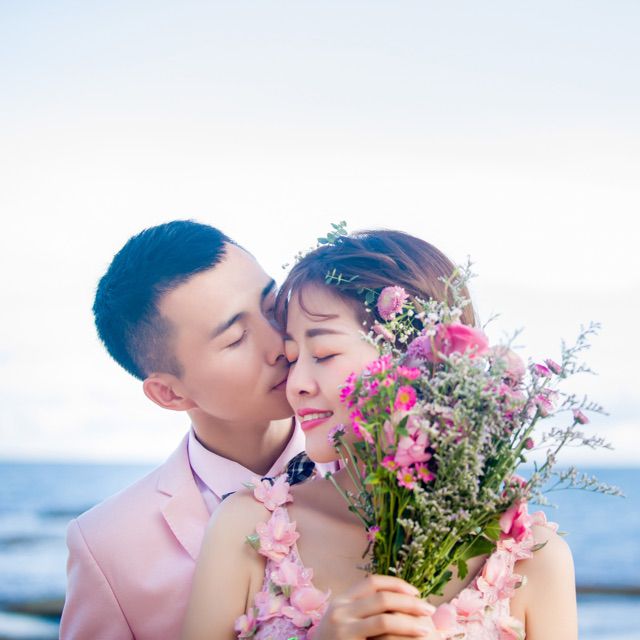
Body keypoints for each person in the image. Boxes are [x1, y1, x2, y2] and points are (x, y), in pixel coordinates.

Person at [182, 229, 578, 640]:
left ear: (416, 358)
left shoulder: (533, 559)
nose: (295, 384)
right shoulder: (250, 529)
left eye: (323, 355)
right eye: (293, 358)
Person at [61, 220, 330, 640]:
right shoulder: (106, 545)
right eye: (236, 338)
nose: (280, 344)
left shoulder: (385, 459)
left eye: (272, 305)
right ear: (170, 393)